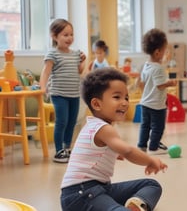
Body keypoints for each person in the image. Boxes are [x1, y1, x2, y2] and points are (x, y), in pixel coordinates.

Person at [60, 67, 167, 211]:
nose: (124, 103)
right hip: (81, 194)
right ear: (97, 104)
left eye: (126, 98)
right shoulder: (104, 128)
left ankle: (135, 205)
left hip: (98, 190)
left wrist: (113, 154)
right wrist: (150, 160)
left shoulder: (93, 125)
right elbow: (128, 151)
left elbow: (92, 154)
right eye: (117, 97)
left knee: (151, 185)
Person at [39, 18, 86, 163]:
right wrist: (43, 86)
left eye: (71, 35)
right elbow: (46, 72)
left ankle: (67, 148)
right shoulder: (52, 54)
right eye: (65, 35)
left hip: (74, 94)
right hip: (59, 94)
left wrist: (83, 61)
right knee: (62, 121)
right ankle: (59, 150)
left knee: (72, 122)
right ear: (54, 36)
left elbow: (79, 71)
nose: (69, 38)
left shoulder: (76, 53)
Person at [137, 28, 177, 154]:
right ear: (158, 52)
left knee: (145, 125)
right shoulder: (158, 68)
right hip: (157, 105)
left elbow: (142, 83)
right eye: (165, 51)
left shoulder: (146, 65)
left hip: (145, 103)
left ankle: (141, 145)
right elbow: (160, 85)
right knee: (158, 127)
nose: (166, 54)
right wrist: (170, 82)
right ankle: (154, 147)